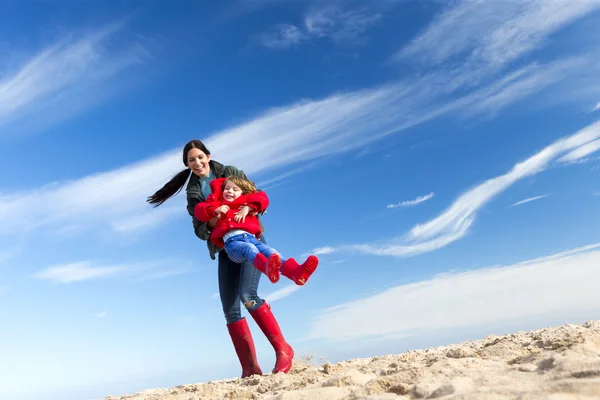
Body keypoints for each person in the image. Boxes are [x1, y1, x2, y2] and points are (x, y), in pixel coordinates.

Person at [147, 140, 293, 378]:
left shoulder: (230, 173)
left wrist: (243, 210)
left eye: (200, 157)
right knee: (230, 310)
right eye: (191, 160)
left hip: (248, 240)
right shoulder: (193, 193)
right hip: (225, 248)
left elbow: (257, 198)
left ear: (208, 156)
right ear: (187, 164)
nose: (197, 163)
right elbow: (199, 229)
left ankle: (283, 351)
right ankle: (250, 367)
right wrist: (215, 218)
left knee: (248, 295)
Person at [194, 175, 319, 285]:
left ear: (242, 193)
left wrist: (248, 208)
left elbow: (262, 197)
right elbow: (199, 210)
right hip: (233, 244)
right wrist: (215, 210)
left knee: (272, 252)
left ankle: (296, 273)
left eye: (235, 189)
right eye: (227, 188)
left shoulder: (246, 202)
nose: (229, 191)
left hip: (253, 239)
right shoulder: (219, 204)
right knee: (250, 249)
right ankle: (267, 267)